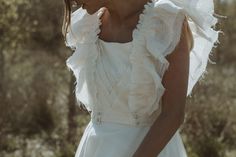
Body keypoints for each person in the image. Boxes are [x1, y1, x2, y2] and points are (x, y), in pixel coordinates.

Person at [62, 0, 219, 156]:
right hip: (96, 148)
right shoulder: (88, 25)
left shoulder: (166, 21)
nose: (73, 2)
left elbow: (173, 114)